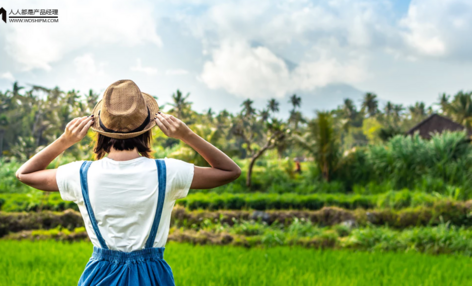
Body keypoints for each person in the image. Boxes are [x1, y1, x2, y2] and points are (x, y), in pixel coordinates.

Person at [15, 79, 241, 285]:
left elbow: (24, 174)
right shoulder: (168, 171)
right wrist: (187, 134)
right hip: (152, 277)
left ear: (99, 130)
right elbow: (229, 171)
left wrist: (66, 140)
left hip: (99, 276)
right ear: (147, 130)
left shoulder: (80, 173)